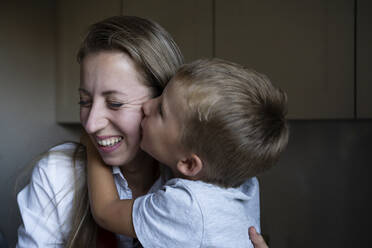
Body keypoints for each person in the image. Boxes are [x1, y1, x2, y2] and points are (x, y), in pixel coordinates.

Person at [16, 16, 263, 247]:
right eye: (84, 101)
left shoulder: (221, 182)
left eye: (115, 103)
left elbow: (105, 211)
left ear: (163, 98)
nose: (90, 124)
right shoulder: (57, 174)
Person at [84, 58, 289, 247]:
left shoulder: (187, 207)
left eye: (161, 111)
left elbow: (105, 211)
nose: (147, 105)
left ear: (190, 164)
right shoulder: (244, 183)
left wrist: (94, 139)